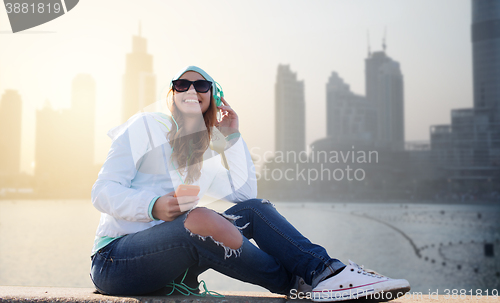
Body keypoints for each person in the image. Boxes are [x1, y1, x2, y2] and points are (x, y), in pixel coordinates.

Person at [90, 65, 410, 302]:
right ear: (172, 94)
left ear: (213, 97)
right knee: (200, 221)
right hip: (116, 262)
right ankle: (299, 284)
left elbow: (245, 194)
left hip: (172, 266)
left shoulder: (204, 152)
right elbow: (102, 191)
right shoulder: (145, 126)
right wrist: (153, 207)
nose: (191, 89)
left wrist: (232, 138)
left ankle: (324, 273)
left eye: (201, 84)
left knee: (254, 210)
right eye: (181, 84)